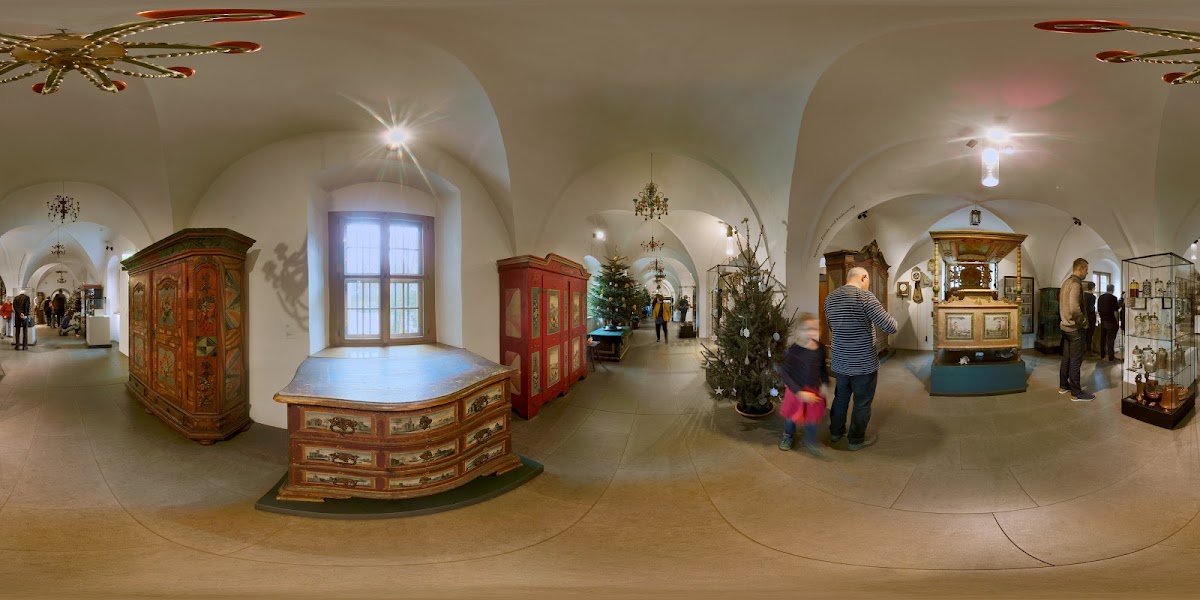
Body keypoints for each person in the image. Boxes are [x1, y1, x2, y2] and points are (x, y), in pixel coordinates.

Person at [824, 266, 898, 450]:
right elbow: (891, 327)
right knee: (862, 403)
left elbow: (831, 327)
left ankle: (835, 432)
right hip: (863, 363)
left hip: (840, 361)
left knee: (840, 398)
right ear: (864, 277)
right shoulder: (865, 297)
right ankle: (855, 440)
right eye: (868, 281)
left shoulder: (830, 298)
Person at [778, 313, 829, 456]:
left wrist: (825, 383)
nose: (812, 332)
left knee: (812, 417)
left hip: (813, 390)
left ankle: (811, 440)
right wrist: (799, 392)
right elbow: (785, 373)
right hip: (796, 391)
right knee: (791, 416)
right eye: (807, 329)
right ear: (799, 331)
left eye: (815, 329)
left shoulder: (820, 348)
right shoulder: (793, 350)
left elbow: (822, 369)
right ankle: (788, 435)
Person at [1059, 258, 1094, 400]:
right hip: (1074, 329)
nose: (1087, 272)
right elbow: (1074, 308)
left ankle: (1063, 386)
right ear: (1080, 268)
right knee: (1075, 361)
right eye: (1086, 269)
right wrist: (1083, 321)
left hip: (1065, 327)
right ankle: (1076, 393)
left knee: (1067, 358)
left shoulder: (1065, 282)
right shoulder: (1076, 284)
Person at [1098, 284, 1119, 362]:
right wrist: (1117, 321)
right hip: (1111, 320)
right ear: (1113, 289)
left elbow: (1099, 310)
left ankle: (1102, 354)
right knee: (1110, 339)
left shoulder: (1100, 297)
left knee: (1103, 338)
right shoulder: (1114, 298)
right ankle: (1110, 356)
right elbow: (1115, 312)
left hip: (1103, 320)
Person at [1083, 281, 1098, 356]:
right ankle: (1088, 350)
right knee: (1090, 334)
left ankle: (1083, 350)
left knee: (1084, 334)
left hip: (1083, 317)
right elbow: (1090, 308)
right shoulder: (1092, 297)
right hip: (1090, 317)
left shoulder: (1083, 295)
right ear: (1093, 288)